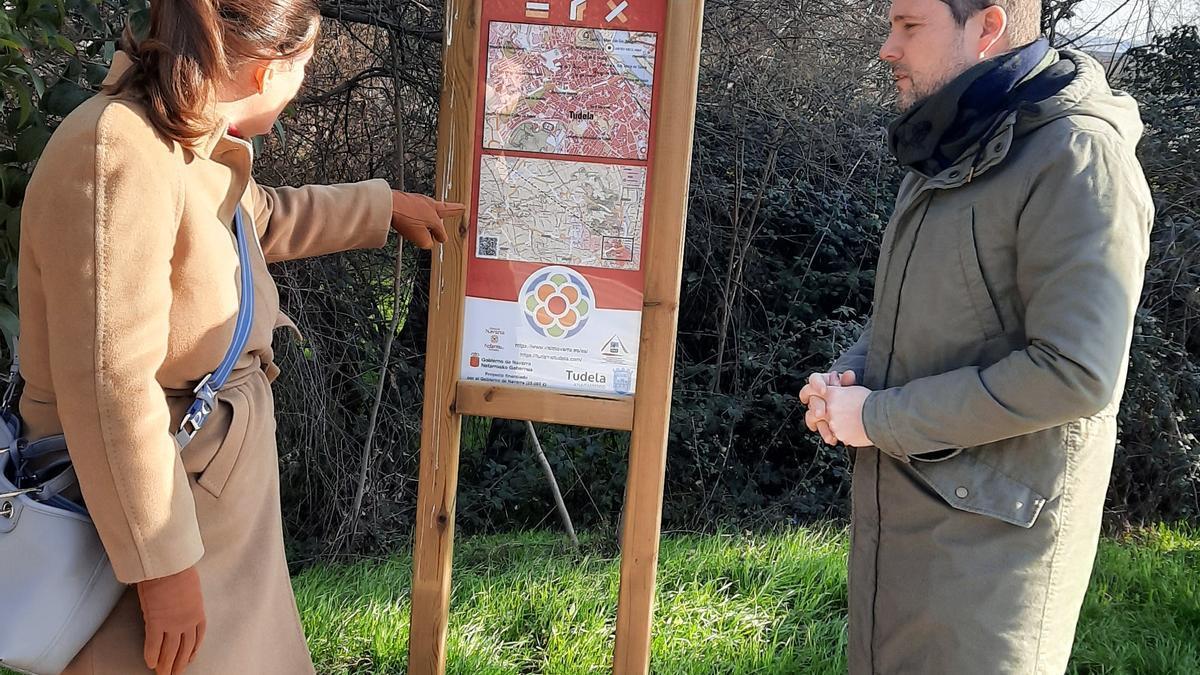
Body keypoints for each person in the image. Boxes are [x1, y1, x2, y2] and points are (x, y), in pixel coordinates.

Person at [17, 0, 463, 672]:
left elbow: (256, 219)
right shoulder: (117, 150)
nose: (304, 81)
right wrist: (161, 568)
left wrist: (383, 207)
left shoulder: (183, 136)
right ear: (267, 70)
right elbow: (110, 385)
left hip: (206, 506)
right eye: (304, 65)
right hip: (155, 520)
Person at [799, 0, 1154, 672]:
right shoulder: (952, 140)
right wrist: (851, 375)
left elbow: (1075, 371)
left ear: (987, 28)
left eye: (909, 26)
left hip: (993, 561)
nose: (887, 48)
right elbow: (925, 311)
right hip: (909, 536)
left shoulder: (1078, 155)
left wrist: (878, 416)